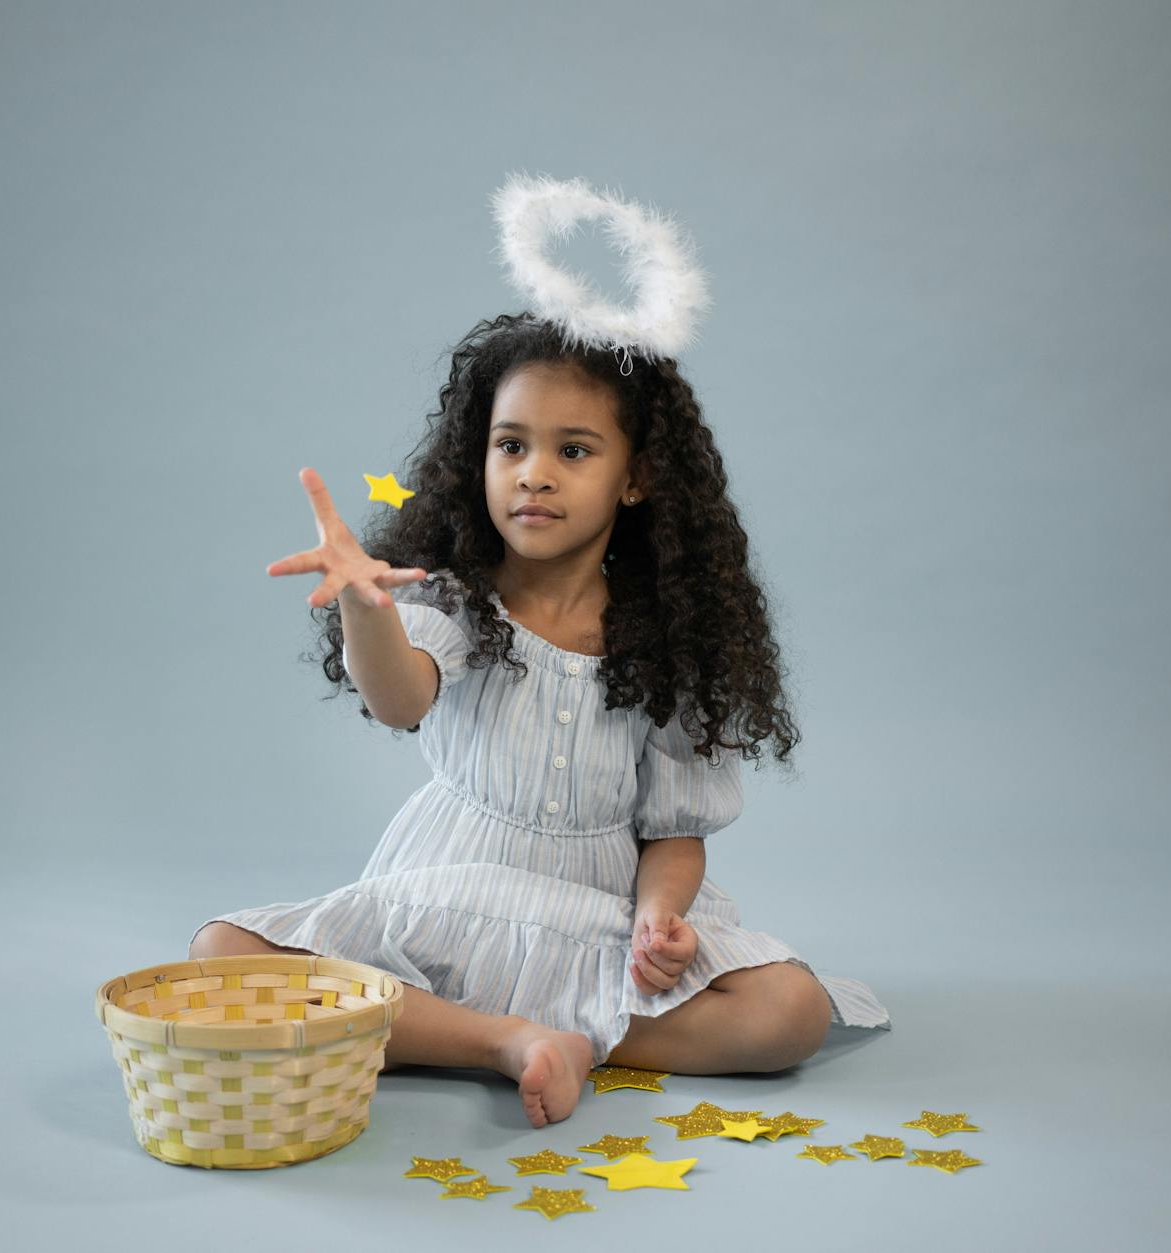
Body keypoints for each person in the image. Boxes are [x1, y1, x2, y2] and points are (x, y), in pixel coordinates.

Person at [190, 313, 890, 1128]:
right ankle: (507, 1040)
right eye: (511, 446)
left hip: (596, 919)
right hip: (448, 896)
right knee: (221, 957)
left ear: (636, 478)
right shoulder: (456, 599)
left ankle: (476, 1027)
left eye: (574, 450)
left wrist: (662, 916)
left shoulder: (664, 644)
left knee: (789, 1010)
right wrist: (364, 602)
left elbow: (673, 830)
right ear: (476, 461)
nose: (535, 475)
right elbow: (399, 696)